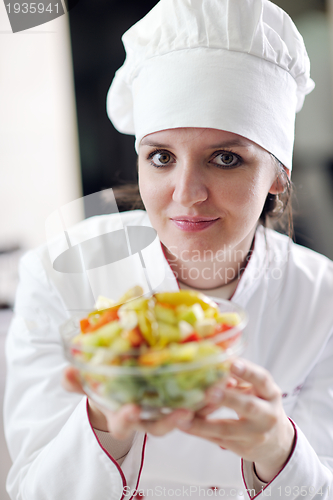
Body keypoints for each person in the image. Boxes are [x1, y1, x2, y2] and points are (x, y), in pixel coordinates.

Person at [4, 0, 333, 499]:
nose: (186, 193)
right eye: (161, 157)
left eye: (225, 158)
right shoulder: (61, 273)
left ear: (278, 176)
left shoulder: (321, 300)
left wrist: (277, 450)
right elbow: (31, 489)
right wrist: (103, 417)